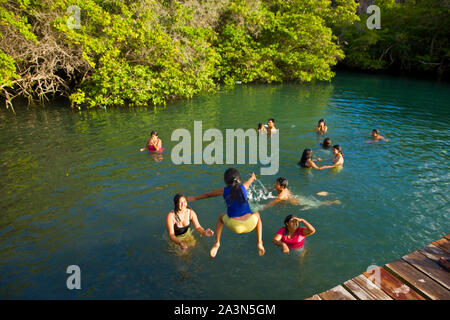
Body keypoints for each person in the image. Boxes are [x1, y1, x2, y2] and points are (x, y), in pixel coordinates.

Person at [187, 168, 265, 258]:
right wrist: (252, 177)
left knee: (221, 217)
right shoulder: (243, 187)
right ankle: (259, 242)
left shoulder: (224, 190)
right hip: (250, 224)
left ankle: (217, 243)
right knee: (257, 214)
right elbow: (250, 181)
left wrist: (195, 198)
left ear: (226, 181)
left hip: (235, 226)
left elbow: (208, 195)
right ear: (239, 179)